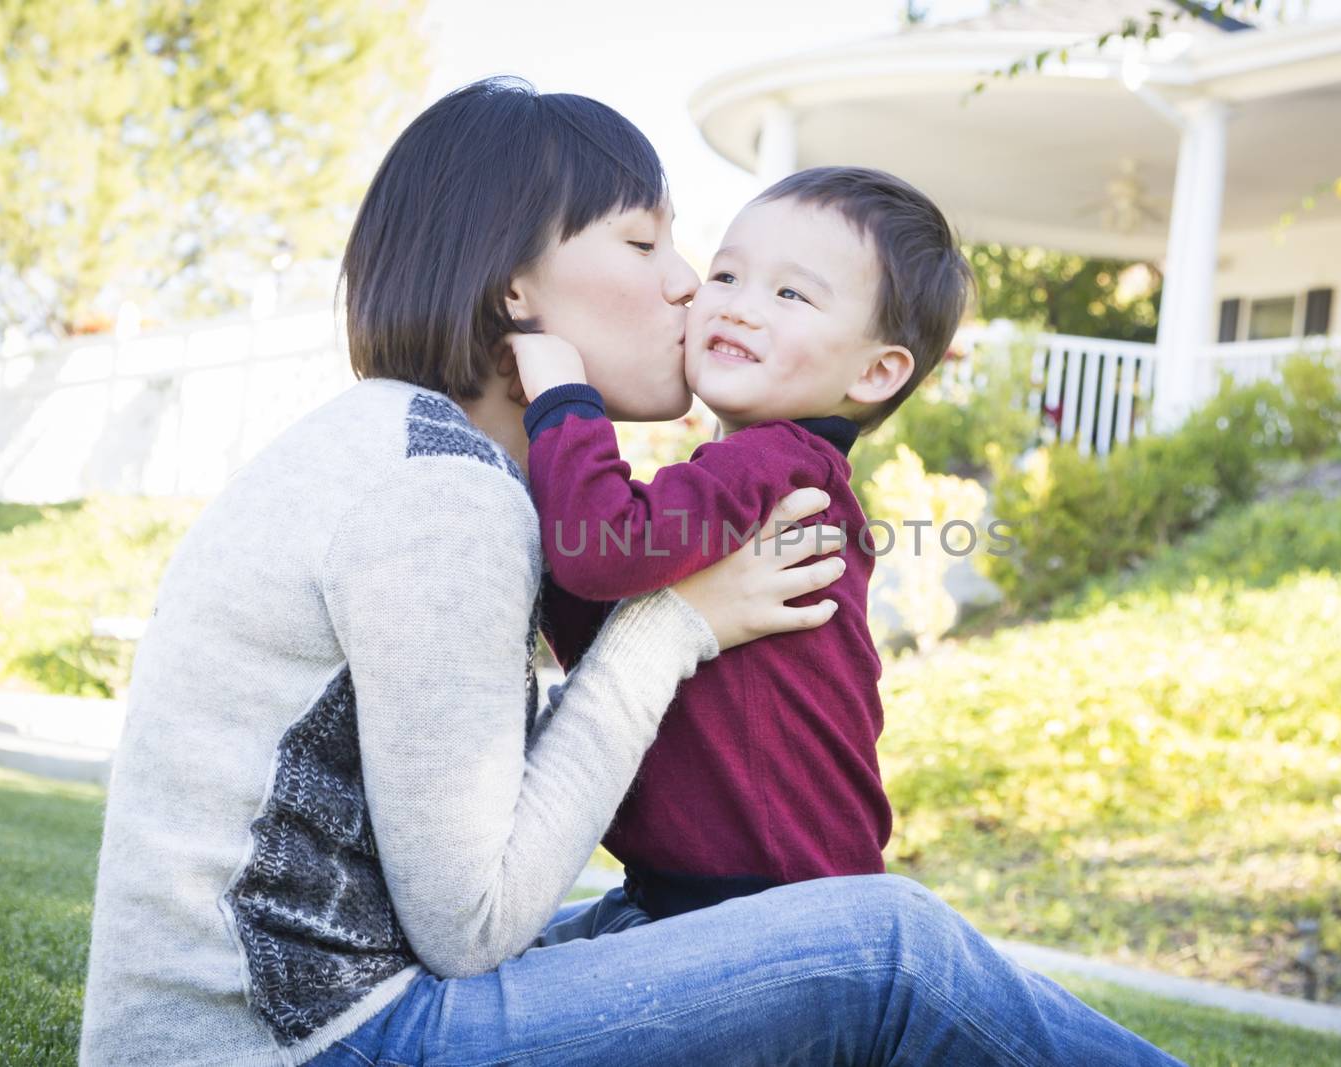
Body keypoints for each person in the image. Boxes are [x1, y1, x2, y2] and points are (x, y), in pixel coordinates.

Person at [80, 76, 1187, 1067]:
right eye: (649, 245)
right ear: (518, 285)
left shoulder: (405, 452)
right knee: (887, 942)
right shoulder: (438, 495)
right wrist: (679, 624)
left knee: (660, 928)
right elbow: (472, 925)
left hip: (309, 1012)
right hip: (312, 1038)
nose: (690, 290)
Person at [508, 165, 971, 922]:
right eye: (726, 274)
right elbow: (597, 605)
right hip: (705, 892)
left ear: (876, 370)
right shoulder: (740, 482)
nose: (739, 307)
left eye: (791, 294)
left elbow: (597, 553)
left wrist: (564, 399)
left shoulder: (782, 466)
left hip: (775, 904)